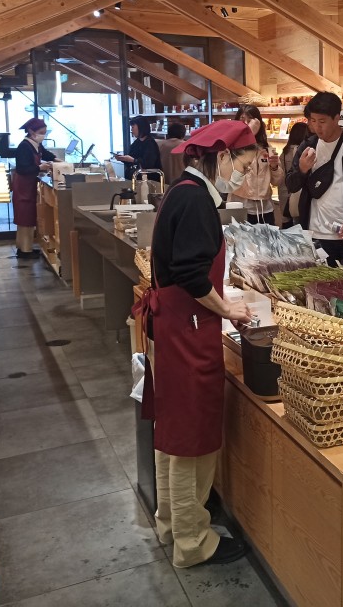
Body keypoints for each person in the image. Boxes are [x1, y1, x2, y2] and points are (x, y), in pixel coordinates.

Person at [135, 120, 255, 569]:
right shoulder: (196, 200)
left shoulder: (183, 191)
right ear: (222, 157)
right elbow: (189, 272)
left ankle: (172, 522)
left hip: (177, 325)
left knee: (173, 432)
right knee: (193, 438)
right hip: (189, 327)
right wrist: (228, 310)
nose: (245, 174)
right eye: (244, 164)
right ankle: (193, 541)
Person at [285, 91, 343, 266]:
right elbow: (291, 184)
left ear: (337, 118)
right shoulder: (308, 145)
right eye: (312, 121)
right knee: (320, 287)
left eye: (322, 121)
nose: (317, 127)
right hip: (315, 233)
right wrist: (303, 169)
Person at [231, 106, 283, 225]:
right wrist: (248, 136)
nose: (246, 124)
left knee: (266, 242)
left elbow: (277, 181)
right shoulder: (232, 146)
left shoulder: (266, 147)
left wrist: (274, 167)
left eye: (250, 120)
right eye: (242, 120)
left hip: (265, 209)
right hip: (240, 207)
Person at [11, 117, 55, 259]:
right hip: (23, 186)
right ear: (31, 131)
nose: (44, 135)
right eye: (42, 132)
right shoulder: (24, 146)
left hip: (29, 185)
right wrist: (39, 167)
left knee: (29, 218)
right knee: (25, 218)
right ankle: (24, 251)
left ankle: (25, 248)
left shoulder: (35, 144)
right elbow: (23, 168)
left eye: (45, 132)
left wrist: (57, 160)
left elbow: (46, 154)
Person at [279, 121, 310, 226]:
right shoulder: (304, 152)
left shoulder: (284, 152)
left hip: (284, 196)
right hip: (299, 197)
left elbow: (282, 178)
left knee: (287, 228)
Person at [115, 116, 162, 181]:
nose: (131, 130)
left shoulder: (150, 143)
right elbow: (131, 157)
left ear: (141, 127)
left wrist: (133, 160)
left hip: (148, 179)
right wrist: (122, 158)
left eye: (133, 127)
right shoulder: (137, 142)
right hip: (135, 176)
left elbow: (148, 164)